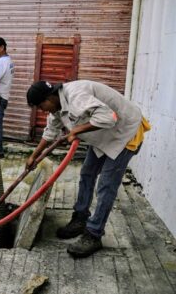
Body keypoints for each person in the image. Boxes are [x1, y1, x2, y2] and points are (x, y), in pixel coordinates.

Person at [26, 80, 151, 258]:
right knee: (87, 173)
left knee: (106, 185)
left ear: (50, 97)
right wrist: (34, 156)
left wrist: (76, 130)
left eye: (41, 105)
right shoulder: (57, 107)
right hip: (105, 135)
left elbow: (109, 117)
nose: (42, 109)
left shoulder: (76, 96)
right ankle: (80, 218)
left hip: (126, 132)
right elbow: (50, 132)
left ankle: (93, 234)